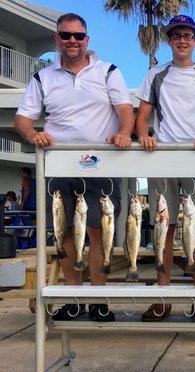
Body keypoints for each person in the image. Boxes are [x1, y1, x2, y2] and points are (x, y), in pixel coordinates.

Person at [15, 13, 134, 322]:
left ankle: (98, 300)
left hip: (100, 165)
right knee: (65, 233)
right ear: (57, 38)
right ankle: (72, 297)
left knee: (99, 232)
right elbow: (23, 119)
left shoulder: (108, 71)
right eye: (66, 35)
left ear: (87, 40)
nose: (72, 41)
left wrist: (123, 132)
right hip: (59, 164)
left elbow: (125, 111)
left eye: (78, 36)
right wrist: (32, 135)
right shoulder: (43, 77)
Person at [135, 15, 195, 323]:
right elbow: (143, 114)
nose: (182, 40)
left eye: (188, 35)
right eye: (177, 36)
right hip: (162, 158)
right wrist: (145, 135)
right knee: (165, 227)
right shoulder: (155, 74)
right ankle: (162, 297)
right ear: (170, 41)